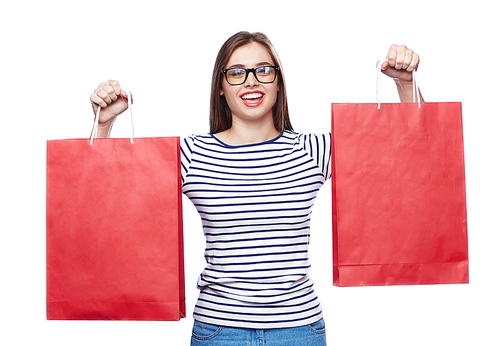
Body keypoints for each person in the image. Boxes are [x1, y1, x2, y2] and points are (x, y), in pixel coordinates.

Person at [90, 31, 422, 346]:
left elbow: (407, 160)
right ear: (220, 87)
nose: (251, 80)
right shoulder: (192, 155)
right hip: (219, 332)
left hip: (299, 331)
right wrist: (104, 125)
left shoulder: (313, 151)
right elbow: (109, 201)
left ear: (278, 83)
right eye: (237, 72)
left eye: (263, 70)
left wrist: (406, 85)